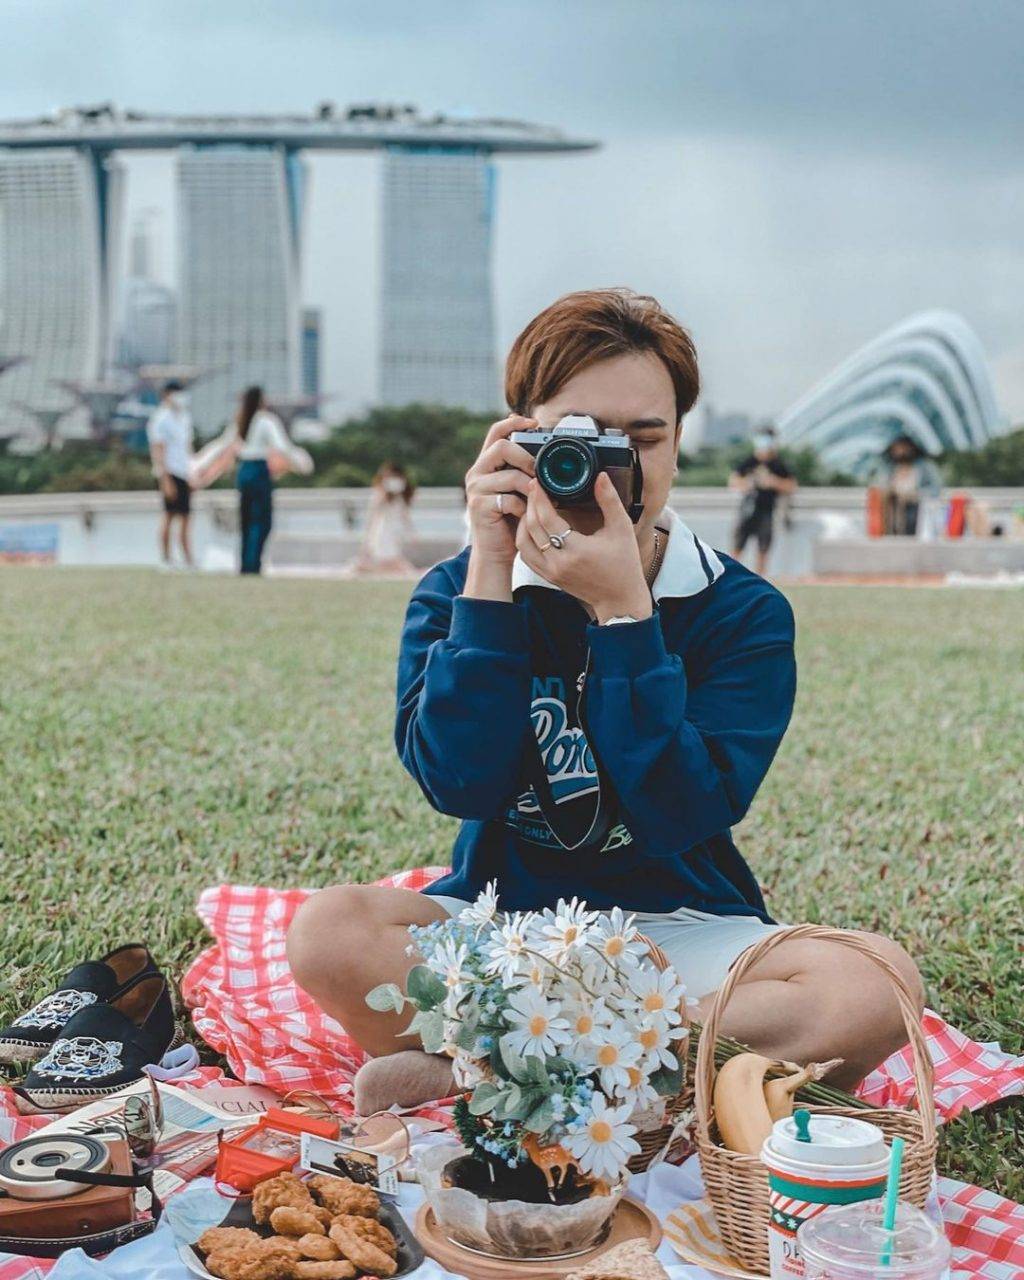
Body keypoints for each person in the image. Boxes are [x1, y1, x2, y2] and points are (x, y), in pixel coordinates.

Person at [286, 288, 923, 1115]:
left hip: (683, 925)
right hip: (504, 923)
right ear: (518, 439)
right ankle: (648, 1076)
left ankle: (487, 1071)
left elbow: (683, 811)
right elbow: (459, 783)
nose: (610, 471)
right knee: (328, 933)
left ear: (680, 443)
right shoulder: (460, 592)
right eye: (579, 440)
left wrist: (626, 615)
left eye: (642, 440)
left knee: (873, 982)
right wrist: (490, 568)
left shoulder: (741, 610)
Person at [192, 386, 314, 575]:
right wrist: (300, 463)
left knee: (247, 520)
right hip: (258, 470)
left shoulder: (240, 421)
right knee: (261, 521)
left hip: (244, 471)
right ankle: (253, 565)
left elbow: (221, 445)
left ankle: (245, 565)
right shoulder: (266, 420)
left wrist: (201, 464)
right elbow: (282, 446)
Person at [729, 426, 797, 576]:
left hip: (767, 512)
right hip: (747, 511)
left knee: (763, 550)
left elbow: (792, 485)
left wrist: (773, 482)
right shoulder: (749, 462)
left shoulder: (778, 464)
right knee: (737, 548)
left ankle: (759, 580)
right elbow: (733, 481)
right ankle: (730, 578)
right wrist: (748, 483)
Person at [146, 379, 194, 569]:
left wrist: (192, 473)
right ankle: (166, 559)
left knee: (186, 517)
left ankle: (187, 559)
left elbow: (187, 448)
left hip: (184, 472)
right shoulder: (160, 419)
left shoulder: (185, 417)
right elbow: (158, 449)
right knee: (169, 515)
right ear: (167, 395)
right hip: (169, 472)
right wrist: (164, 478)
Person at [349, 462, 417, 575]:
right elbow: (373, 515)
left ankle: (362, 567)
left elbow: (404, 515)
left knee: (391, 563)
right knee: (391, 562)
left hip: (395, 532)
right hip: (383, 531)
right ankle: (361, 567)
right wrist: (384, 494)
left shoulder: (400, 496)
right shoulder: (380, 493)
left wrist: (411, 531)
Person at [869, 434, 941, 536]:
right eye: (897, 448)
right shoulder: (888, 469)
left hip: (917, 511)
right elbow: (877, 487)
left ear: (912, 448)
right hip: (892, 511)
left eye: (904, 448)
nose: (901, 451)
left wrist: (915, 495)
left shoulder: (925, 467)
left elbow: (935, 490)